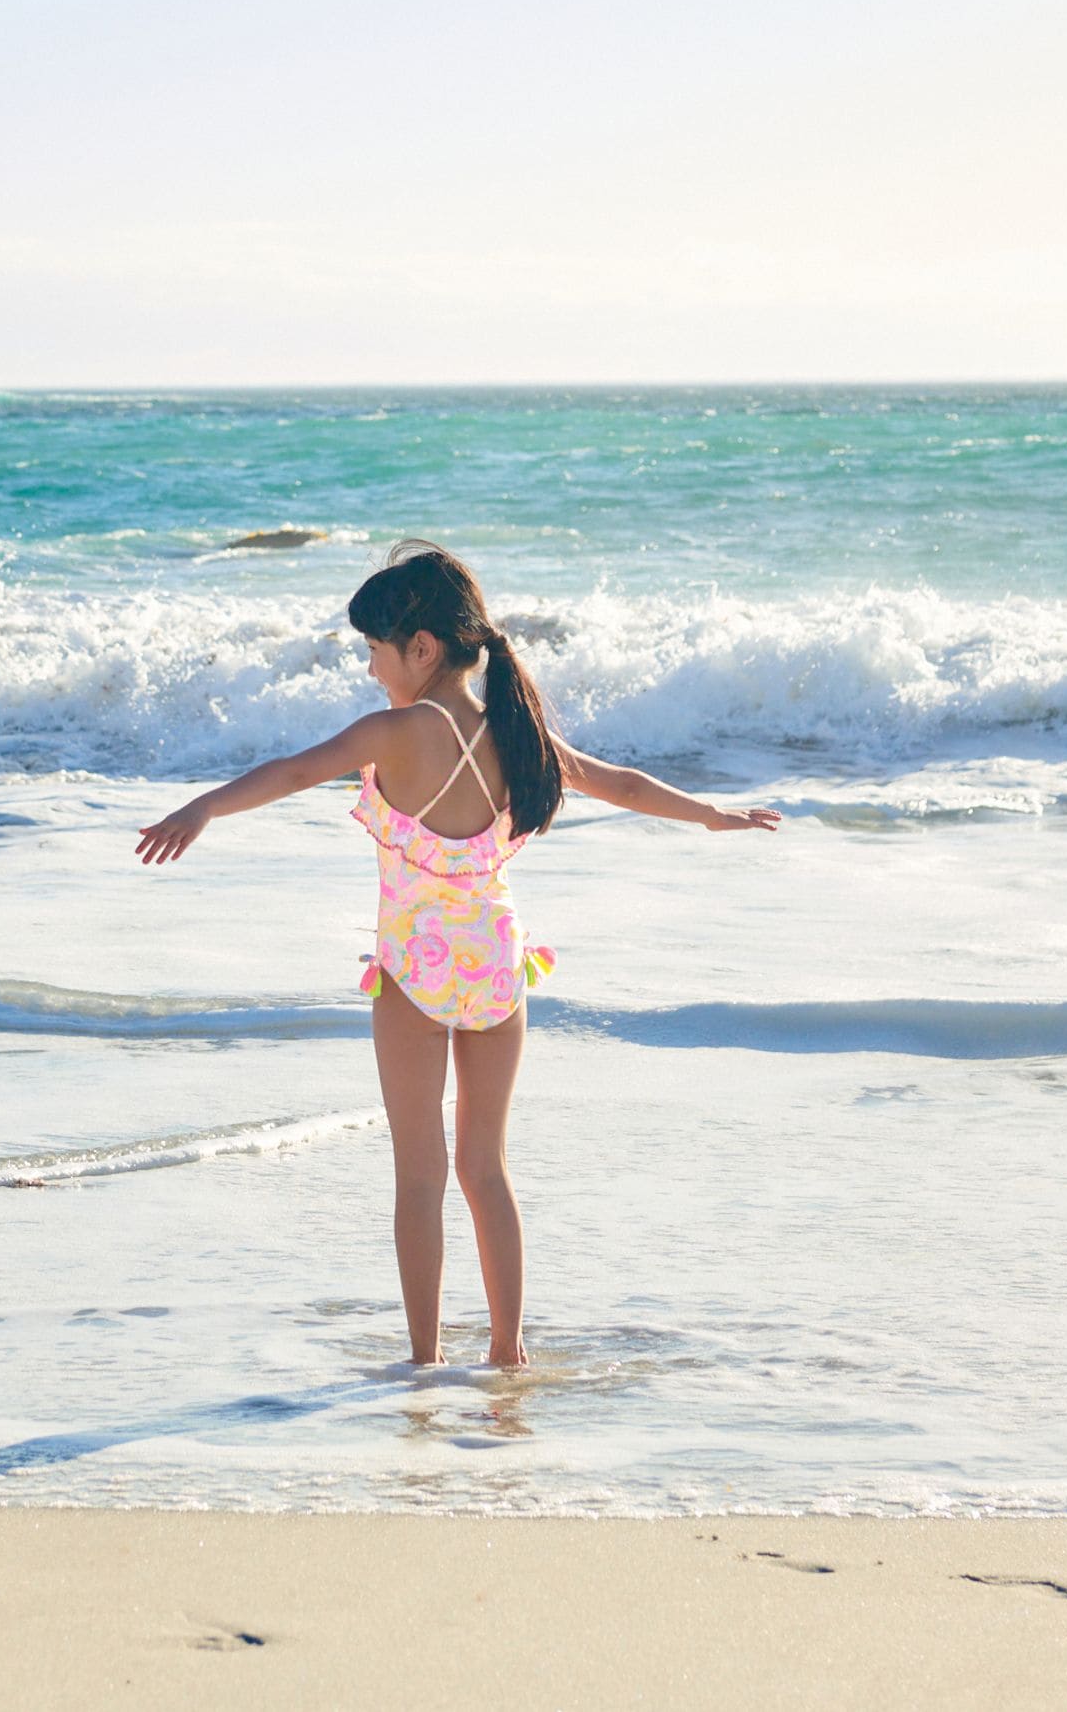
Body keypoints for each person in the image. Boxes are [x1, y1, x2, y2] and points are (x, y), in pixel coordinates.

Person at [135, 541, 779, 1369]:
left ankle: (425, 1361)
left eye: (374, 650)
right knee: (487, 1169)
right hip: (498, 972)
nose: (370, 670)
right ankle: (508, 1351)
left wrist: (204, 809)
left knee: (420, 1176)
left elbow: (293, 772)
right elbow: (619, 784)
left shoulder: (394, 732)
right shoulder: (519, 732)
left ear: (422, 649)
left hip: (413, 973)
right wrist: (714, 817)